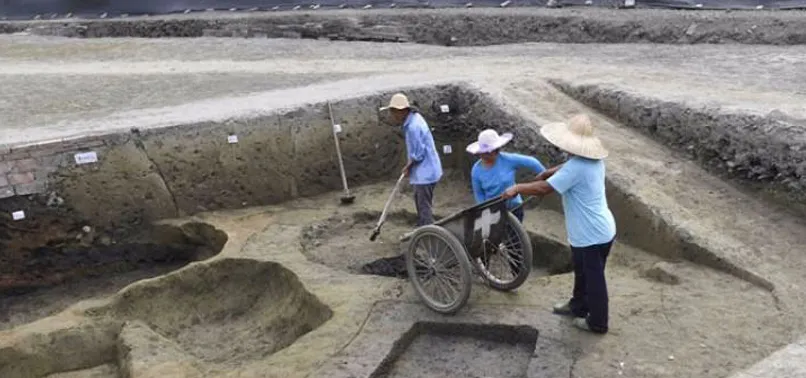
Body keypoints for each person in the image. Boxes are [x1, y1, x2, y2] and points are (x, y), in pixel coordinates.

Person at [501, 113, 616, 334]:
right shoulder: (591, 160)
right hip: (593, 230)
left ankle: (598, 322)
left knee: (594, 279)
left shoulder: (578, 168)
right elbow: (566, 166)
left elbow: (545, 189)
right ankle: (578, 306)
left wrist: (517, 188)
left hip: (592, 233)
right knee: (582, 272)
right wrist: (547, 172)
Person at [380, 93, 443, 226]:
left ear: (401, 111)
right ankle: (423, 224)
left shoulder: (413, 127)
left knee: (423, 205)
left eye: (393, 112)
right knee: (420, 201)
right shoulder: (415, 118)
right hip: (428, 169)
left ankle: (428, 232)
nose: (392, 116)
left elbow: (418, 154)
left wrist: (408, 166)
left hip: (425, 173)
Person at [466, 129, 546, 223]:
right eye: (490, 151)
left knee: (514, 236)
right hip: (493, 210)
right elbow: (479, 194)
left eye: (496, 150)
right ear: (481, 153)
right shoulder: (476, 170)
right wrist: (484, 211)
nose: (494, 153)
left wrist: (544, 175)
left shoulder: (508, 160)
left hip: (514, 207)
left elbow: (532, 162)